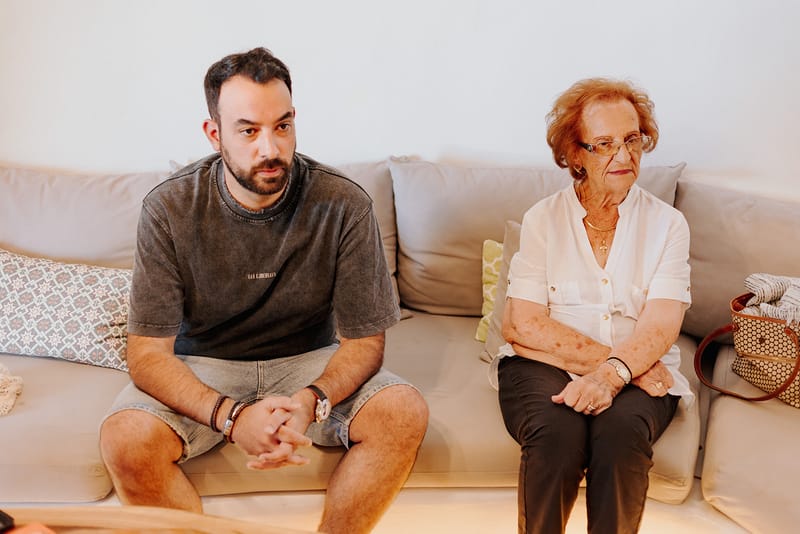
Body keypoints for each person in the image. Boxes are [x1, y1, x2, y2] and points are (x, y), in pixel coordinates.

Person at [99, 47, 428, 534]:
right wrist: (232, 419)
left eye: (283, 125)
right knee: (124, 438)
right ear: (215, 135)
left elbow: (364, 343)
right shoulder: (168, 207)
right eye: (248, 130)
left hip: (311, 358)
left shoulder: (344, 202)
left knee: (403, 411)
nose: (270, 148)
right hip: (205, 363)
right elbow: (148, 354)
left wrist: (310, 401)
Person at [494, 78, 692, 534]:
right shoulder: (543, 219)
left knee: (621, 440)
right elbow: (522, 324)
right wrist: (624, 366)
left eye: (631, 139)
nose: (623, 156)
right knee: (555, 438)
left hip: (636, 364)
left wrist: (615, 375)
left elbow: (662, 323)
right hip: (542, 364)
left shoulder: (668, 225)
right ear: (575, 153)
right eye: (603, 145)